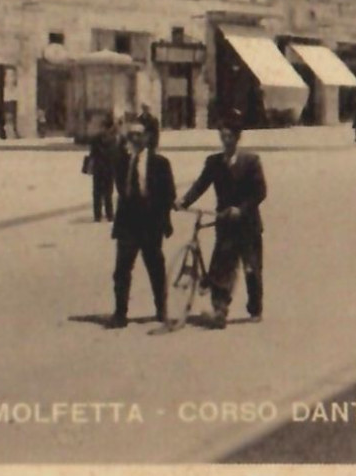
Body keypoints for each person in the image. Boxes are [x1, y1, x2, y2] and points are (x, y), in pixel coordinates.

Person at [178, 110, 267, 328]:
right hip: (225, 223)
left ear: (237, 137)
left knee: (251, 269)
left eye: (229, 136)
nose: (225, 141)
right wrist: (184, 201)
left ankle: (255, 308)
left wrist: (241, 208)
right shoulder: (214, 162)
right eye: (222, 136)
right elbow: (201, 184)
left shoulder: (251, 161)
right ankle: (220, 310)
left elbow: (260, 192)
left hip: (247, 225)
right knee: (221, 266)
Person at [107, 123, 177, 328]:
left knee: (155, 268)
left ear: (147, 137)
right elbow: (121, 187)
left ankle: (161, 309)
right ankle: (120, 313)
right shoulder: (122, 161)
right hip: (128, 222)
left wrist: (162, 219)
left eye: (139, 134)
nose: (135, 139)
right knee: (121, 269)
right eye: (131, 135)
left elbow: (169, 193)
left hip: (150, 223)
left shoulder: (160, 163)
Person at [88, 113, 119, 223]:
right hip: (109, 168)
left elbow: (92, 153)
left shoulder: (95, 138)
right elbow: (116, 155)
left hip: (98, 168)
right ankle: (110, 215)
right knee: (108, 192)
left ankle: (97, 216)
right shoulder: (114, 140)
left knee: (97, 192)